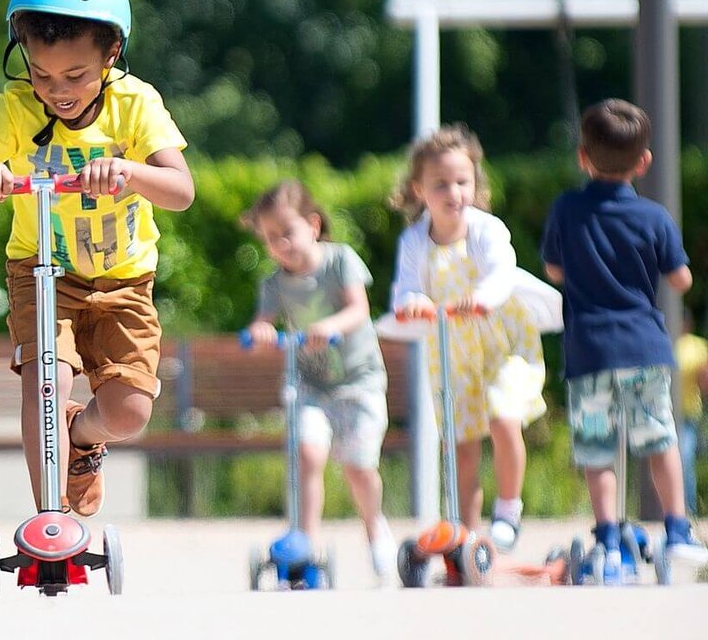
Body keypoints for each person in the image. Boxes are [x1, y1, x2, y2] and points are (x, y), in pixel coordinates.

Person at [0, 0, 195, 517]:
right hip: (40, 271)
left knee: (129, 411)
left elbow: (180, 189)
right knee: (43, 383)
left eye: (75, 76)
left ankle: (82, 438)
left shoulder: (136, 104)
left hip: (125, 280)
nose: (57, 90)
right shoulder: (13, 107)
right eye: (41, 73)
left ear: (111, 55)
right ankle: (49, 521)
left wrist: (127, 171)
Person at [542, 98, 708, 573]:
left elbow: (554, 268)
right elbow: (680, 279)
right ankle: (677, 532)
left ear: (582, 157)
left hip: (589, 350)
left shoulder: (567, 209)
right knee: (659, 440)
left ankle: (609, 544)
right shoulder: (653, 217)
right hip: (644, 348)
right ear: (644, 161)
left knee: (598, 451)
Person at [390, 124, 559, 552]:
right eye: (441, 184)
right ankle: (465, 534)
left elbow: (501, 272)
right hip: (451, 351)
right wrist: (412, 302)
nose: (454, 193)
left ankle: (507, 510)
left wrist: (480, 299)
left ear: (474, 184)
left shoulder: (485, 230)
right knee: (461, 444)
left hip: (502, 346)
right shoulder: (414, 239)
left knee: (503, 416)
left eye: (462, 182)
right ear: (419, 189)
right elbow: (406, 285)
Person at [242, 180, 397, 584]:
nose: (281, 244)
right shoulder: (274, 283)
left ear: (313, 225)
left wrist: (329, 325)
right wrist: (260, 331)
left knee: (359, 466)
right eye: (271, 238)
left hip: (358, 381)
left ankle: (374, 525)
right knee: (308, 454)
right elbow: (263, 321)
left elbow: (358, 309)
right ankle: (305, 540)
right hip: (311, 385)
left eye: (287, 233)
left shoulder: (339, 260)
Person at [675, 308, 708, 514]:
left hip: (688, 413)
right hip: (667, 411)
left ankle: (688, 509)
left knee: (685, 458)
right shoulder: (667, 341)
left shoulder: (697, 346)